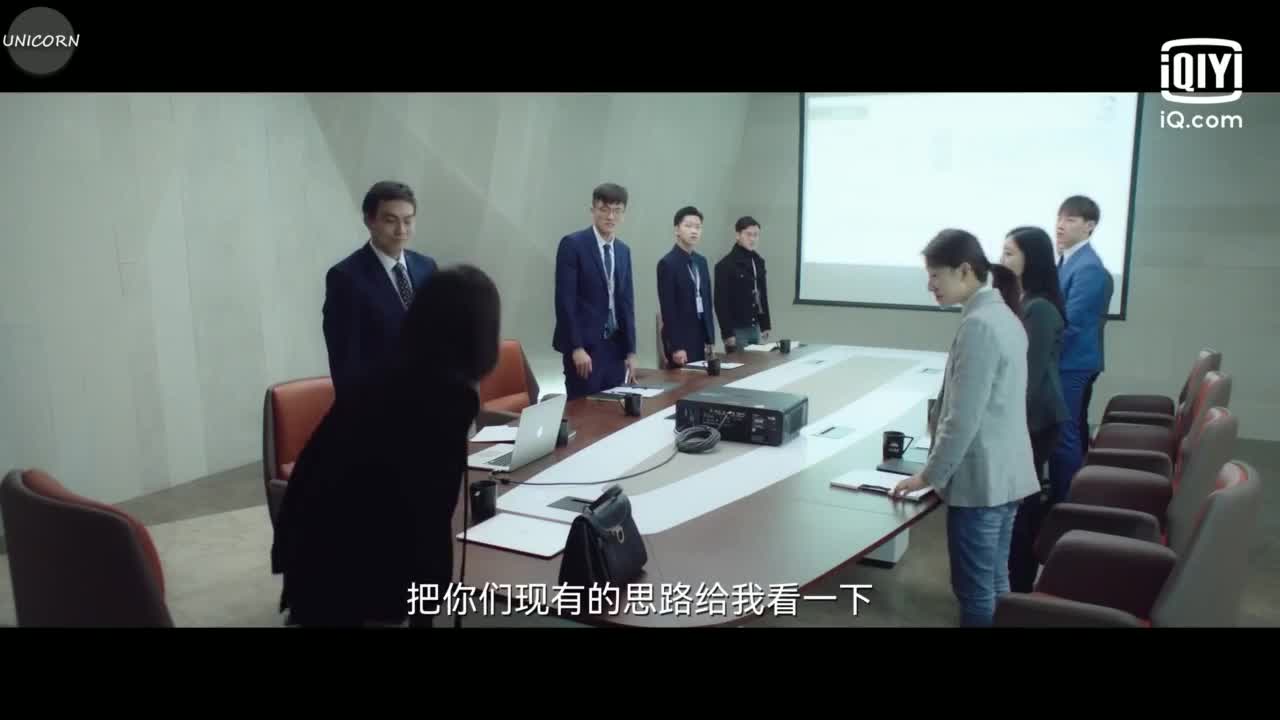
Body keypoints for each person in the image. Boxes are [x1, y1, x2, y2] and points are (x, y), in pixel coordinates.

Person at [270, 264, 502, 627]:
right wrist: (428, 600)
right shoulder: (447, 396)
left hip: (310, 540)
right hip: (346, 561)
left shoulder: (392, 370)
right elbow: (427, 513)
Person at [891, 229, 1039, 627]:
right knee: (996, 582)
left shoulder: (980, 325)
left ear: (964, 270)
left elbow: (963, 418)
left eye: (936, 276)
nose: (930, 285)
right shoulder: (1004, 316)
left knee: (974, 593)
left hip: (981, 481)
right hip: (1007, 475)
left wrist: (929, 476)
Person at [1001, 226, 1070, 593]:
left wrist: (1004, 426)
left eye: (1009, 253)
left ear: (1033, 259)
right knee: (1018, 505)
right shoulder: (1023, 299)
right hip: (1027, 419)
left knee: (1022, 507)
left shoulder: (1039, 308)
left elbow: (1028, 374)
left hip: (1036, 421)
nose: (1001, 260)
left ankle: (1019, 587)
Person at [322, 181, 438, 398]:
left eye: (408, 221)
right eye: (390, 220)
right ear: (369, 221)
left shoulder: (427, 267)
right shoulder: (345, 278)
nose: (401, 230)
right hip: (378, 407)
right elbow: (346, 365)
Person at [1049, 195, 1112, 503]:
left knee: (1064, 433)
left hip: (1071, 363)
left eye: (1070, 220)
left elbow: (1071, 325)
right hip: (1065, 361)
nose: (1061, 225)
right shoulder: (1067, 260)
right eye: (1060, 218)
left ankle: (1065, 504)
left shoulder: (1087, 268)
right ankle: (1062, 496)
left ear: (1090, 226)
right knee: (1065, 431)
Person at [552, 183, 638, 399]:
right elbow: (565, 301)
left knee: (614, 410)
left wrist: (631, 351)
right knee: (584, 411)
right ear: (593, 210)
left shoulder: (623, 251)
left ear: (623, 214)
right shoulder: (573, 245)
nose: (610, 216)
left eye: (617, 210)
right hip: (586, 350)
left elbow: (627, 303)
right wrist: (576, 347)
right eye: (604, 209)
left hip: (615, 348)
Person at [657, 206, 715, 366]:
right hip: (681, 338)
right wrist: (676, 346)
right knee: (685, 380)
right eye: (688, 226)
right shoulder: (667, 263)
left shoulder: (701, 262)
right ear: (677, 230)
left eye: (698, 227)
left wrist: (710, 338)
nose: (694, 231)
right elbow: (668, 309)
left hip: (701, 335)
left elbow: (707, 302)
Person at [714, 216, 771, 352]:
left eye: (756, 235)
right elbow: (720, 302)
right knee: (740, 365)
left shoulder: (758, 261)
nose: (753, 239)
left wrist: (765, 324)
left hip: (755, 326)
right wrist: (727, 333)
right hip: (737, 329)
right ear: (738, 235)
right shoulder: (725, 265)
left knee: (756, 363)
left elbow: (762, 294)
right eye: (748, 234)